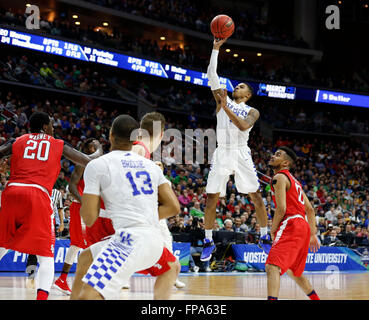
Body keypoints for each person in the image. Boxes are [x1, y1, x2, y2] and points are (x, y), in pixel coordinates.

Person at [73, 114, 181, 300]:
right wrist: (144, 215)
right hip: (154, 239)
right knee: (86, 258)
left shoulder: (98, 165)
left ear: (111, 135)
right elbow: (173, 207)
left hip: (128, 240)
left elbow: (89, 218)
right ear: (136, 138)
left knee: (88, 297)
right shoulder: (152, 166)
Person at [0, 111, 102, 300]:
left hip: (12, 191)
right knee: (46, 255)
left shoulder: (17, 141)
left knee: (2, 244)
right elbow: (90, 161)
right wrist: (99, 149)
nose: (53, 128)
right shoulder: (57, 144)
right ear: (46, 127)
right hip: (37, 194)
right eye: (52, 125)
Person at [201, 38, 268, 262]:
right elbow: (212, 74)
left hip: (240, 152)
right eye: (236, 86)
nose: (236, 87)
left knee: (256, 196)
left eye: (241, 87)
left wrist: (225, 106)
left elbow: (243, 126)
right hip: (222, 151)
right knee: (211, 198)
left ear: (248, 94)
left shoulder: (252, 110)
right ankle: (208, 240)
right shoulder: (223, 100)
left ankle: (265, 236)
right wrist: (215, 49)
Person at [53, 138, 114, 295]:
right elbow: (71, 186)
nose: (97, 146)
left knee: (80, 244)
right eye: (93, 144)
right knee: (84, 244)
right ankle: (84, 280)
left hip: (90, 206)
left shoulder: (98, 165)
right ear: (88, 149)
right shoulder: (83, 163)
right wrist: (84, 202)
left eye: (97, 143)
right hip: (80, 206)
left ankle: (63, 279)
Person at [265, 146, 320, 300]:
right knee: (293, 271)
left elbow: (281, 208)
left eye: (278, 155)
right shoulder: (295, 182)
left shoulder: (280, 178)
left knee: (272, 266)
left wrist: (273, 229)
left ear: (285, 163)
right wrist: (313, 234)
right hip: (303, 225)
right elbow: (309, 210)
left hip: (291, 223)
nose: (273, 156)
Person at [25, 187, 65, 289]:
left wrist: (61, 223)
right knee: (32, 252)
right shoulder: (37, 189)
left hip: (49, 225)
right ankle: (31, 277)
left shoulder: (57, 193)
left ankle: (43, 281)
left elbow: (60, 209)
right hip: (35, 222)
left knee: (47, 254)